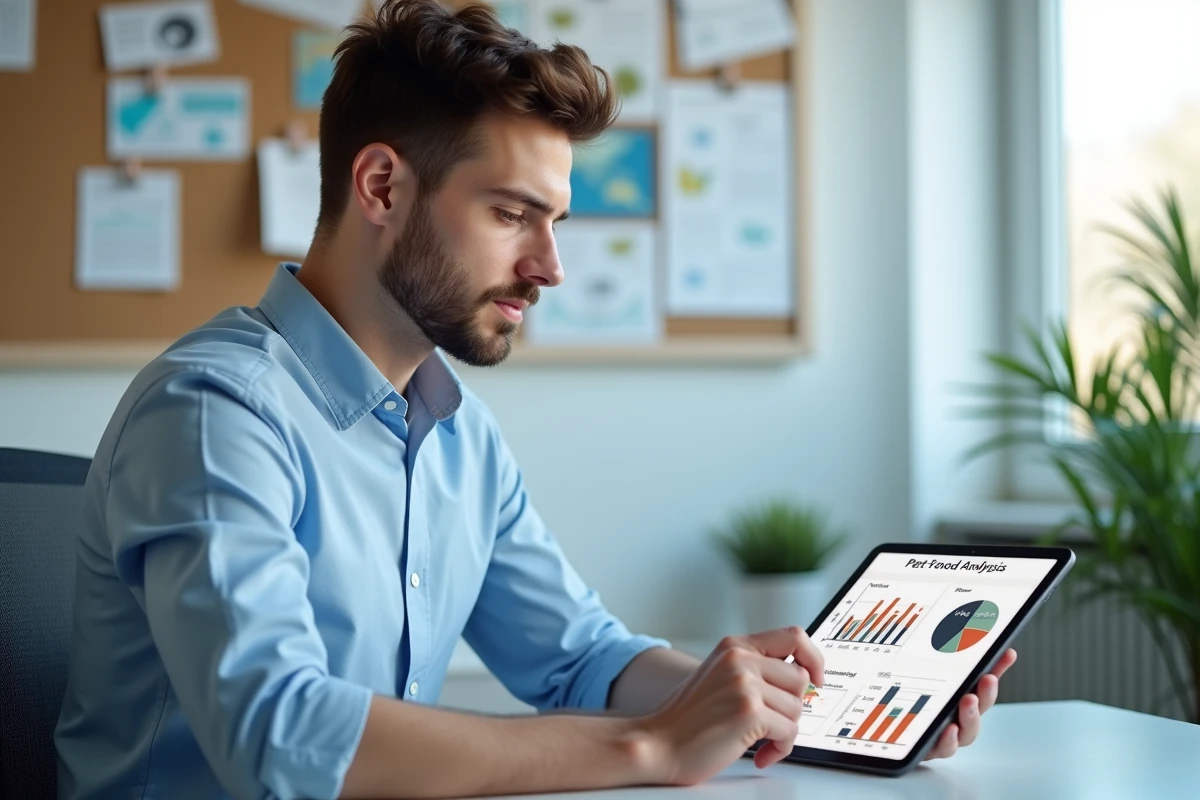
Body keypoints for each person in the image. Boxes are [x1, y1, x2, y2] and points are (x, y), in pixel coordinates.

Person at [53, 1, 1016, 798]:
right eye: (512, 213)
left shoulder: (456, 436)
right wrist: (653, 745)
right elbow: (280, 736)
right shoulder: (215, 412)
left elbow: (580, 659)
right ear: (381, 186)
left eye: (554, 221)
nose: (549, 266)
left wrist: (791, 712)